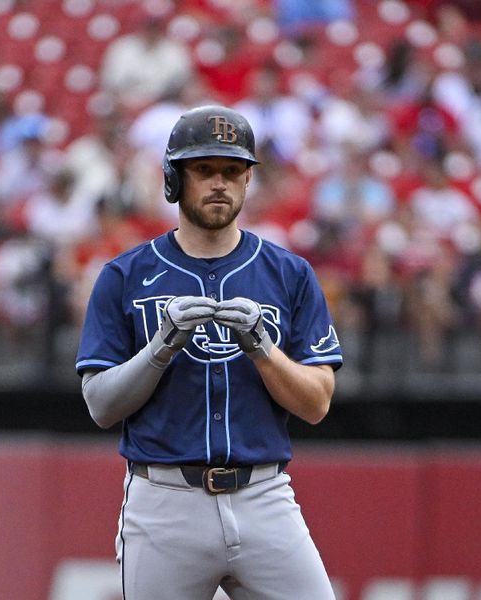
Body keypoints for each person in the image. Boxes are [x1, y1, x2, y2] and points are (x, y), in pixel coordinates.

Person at [75, 105, 342, 600]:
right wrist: (161, 347)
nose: (219, 183)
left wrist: (263, 348)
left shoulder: (289, 273)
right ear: (174, 180)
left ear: (247, 181)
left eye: (232, 171)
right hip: (164, 499)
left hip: (263, 495)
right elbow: (101, 405)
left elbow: (317, 402)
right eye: (204, 170)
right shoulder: (125, 275)